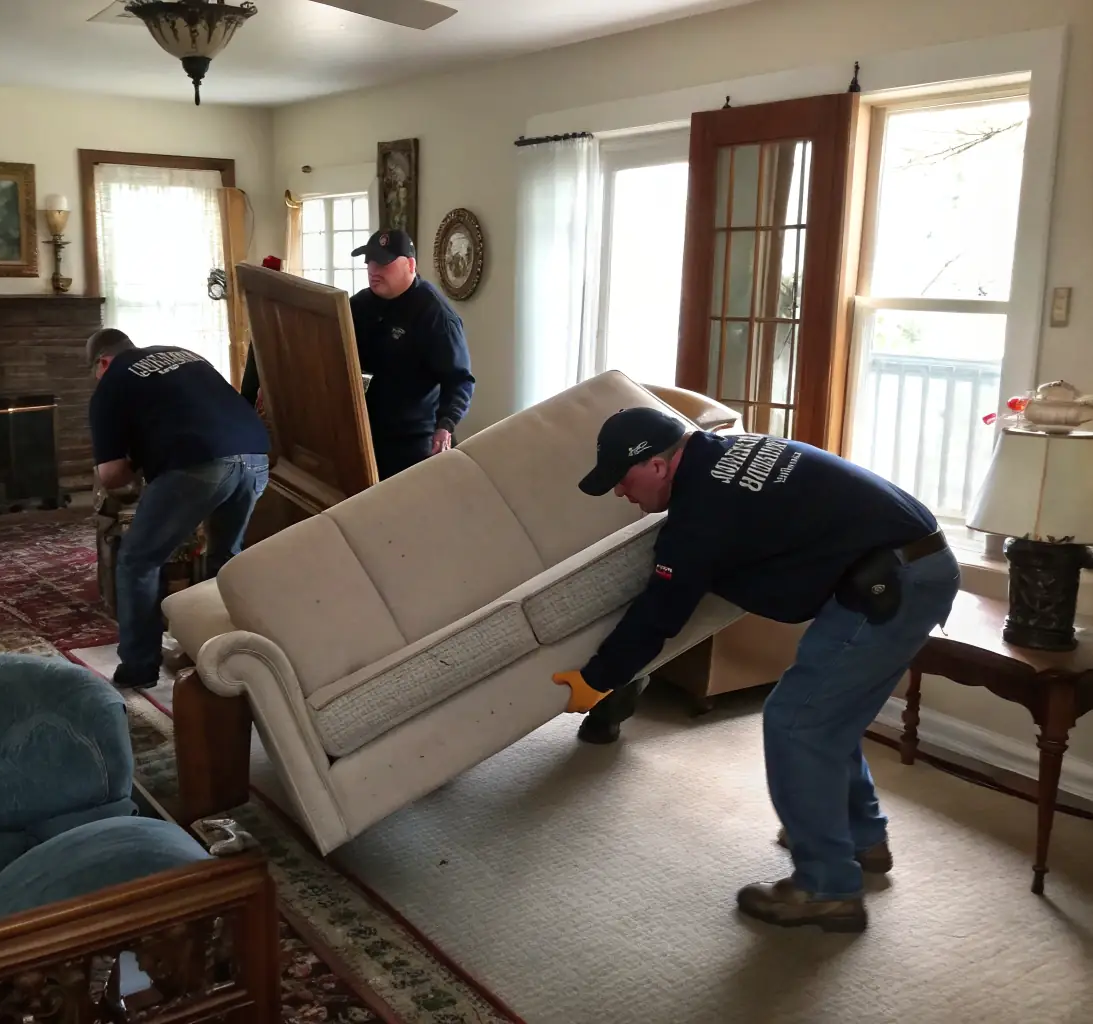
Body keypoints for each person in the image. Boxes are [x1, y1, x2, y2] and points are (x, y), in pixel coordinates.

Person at [554, 406, 959, 932]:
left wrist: (599, 679)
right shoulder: (726, 451)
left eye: (622, 479)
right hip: (912, 562)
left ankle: (827, 888)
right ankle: (862, 837)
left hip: (893, 584)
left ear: (657, 465)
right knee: (823, 717)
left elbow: (661, 611)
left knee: (796, 723)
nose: (619, 493)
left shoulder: (702, 510)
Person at [87, 328, 271, 689]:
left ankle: (139, 666)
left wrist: (133, 468)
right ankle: (220, 653)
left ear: (103, 362)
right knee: (226, 558)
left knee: (138, 560)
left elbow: (110, 475)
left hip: (198, 466)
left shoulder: (111, 384)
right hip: (255, 457)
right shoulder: (181, 355)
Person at [349, 230, 475, 478]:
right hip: (365, 434)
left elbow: (459, 381)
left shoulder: (434, 314)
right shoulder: (357, 306)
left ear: (410, 265)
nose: (373, 270)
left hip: (414, 443)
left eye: (383, 263)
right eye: (369, 261)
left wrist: (445, 426)